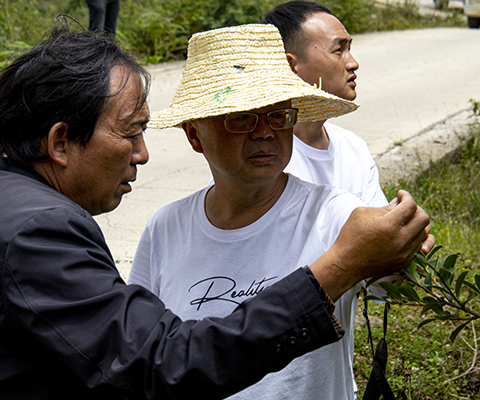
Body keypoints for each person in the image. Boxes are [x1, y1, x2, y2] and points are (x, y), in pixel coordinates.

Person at [0, 27, 432, 399]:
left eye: (278, 114)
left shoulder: (337, 215)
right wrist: (340, 266)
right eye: (242, 117)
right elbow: (156, 359)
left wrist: (407, 250)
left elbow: (396, 276)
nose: (264, 131)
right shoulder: (148, 228)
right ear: (195, 135)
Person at [262, 1, 388, 207]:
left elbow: (381, 227)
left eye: (349, 49)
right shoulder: (262, 158)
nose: (353, 63)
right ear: (291, 65)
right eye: (339, 50)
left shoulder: (353, 148)